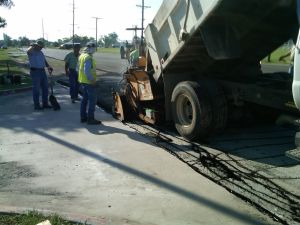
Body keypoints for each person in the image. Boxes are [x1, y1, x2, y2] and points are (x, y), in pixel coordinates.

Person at [77, 42, 101, 125]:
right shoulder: (88, 58)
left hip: (82, 82)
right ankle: (90, 119)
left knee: (84, 100)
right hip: (89, 83)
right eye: (94, 48)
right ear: (90, 48)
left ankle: (83, 117)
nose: (94, 50)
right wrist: (92, 81)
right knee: (92, 101)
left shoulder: (81, 56)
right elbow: (86, 71)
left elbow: (78, 69)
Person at [27, 40, 53, 110]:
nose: (41, 48)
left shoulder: (41, 52)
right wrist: (33, 45)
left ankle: (45, 104)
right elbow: (28, 51)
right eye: (40, 46)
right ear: (36, 46)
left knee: (45, 88)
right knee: (36, 89)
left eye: (42, 47)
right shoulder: (31, 51)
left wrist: (48, 66)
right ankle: (37, 105)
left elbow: (44, 60)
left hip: (42, 71)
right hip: (35, 72)